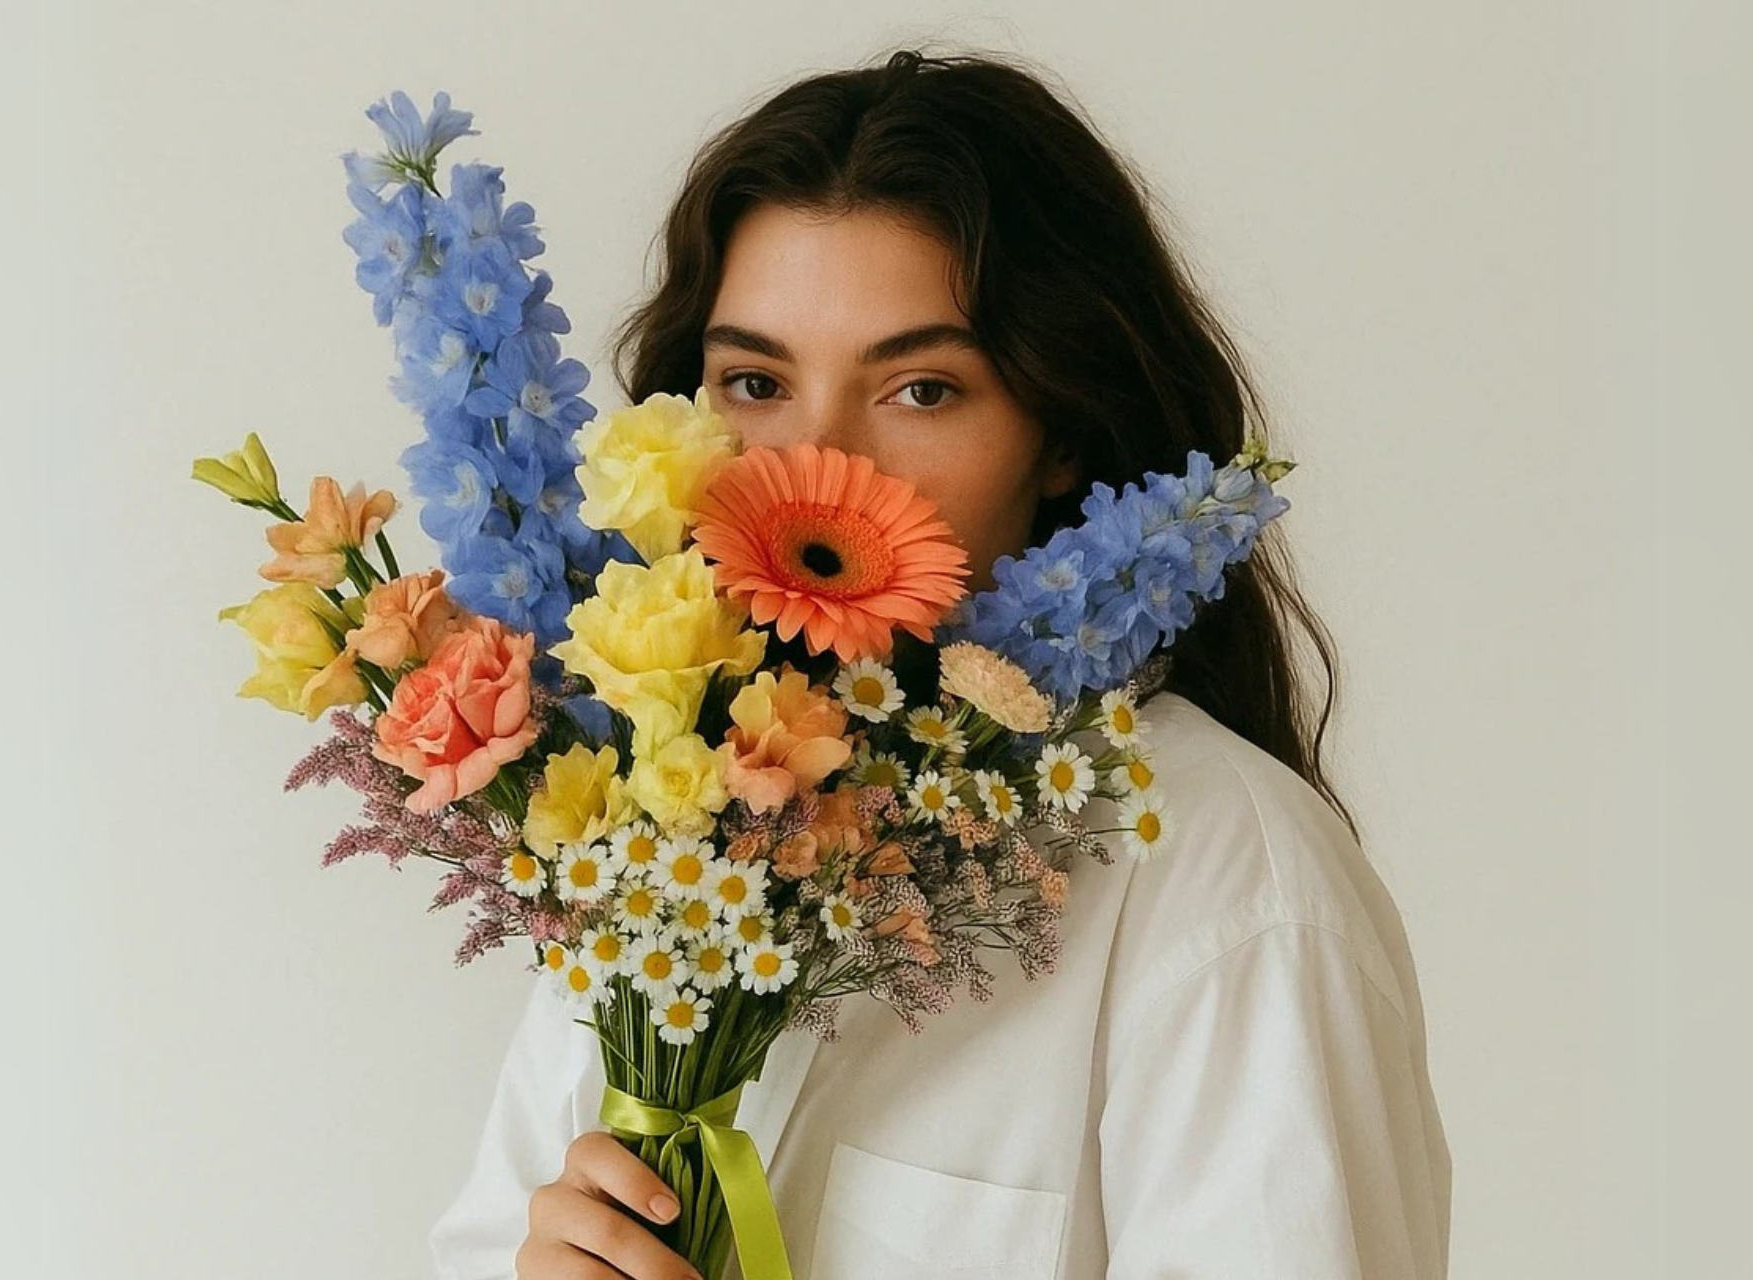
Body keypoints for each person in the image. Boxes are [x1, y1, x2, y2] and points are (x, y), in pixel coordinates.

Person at [428, 48, 1452, 1280]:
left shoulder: (1229, 884)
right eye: (754, 382)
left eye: (920, 389)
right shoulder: (659, 824)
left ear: (1062, 430)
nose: (817, 469)